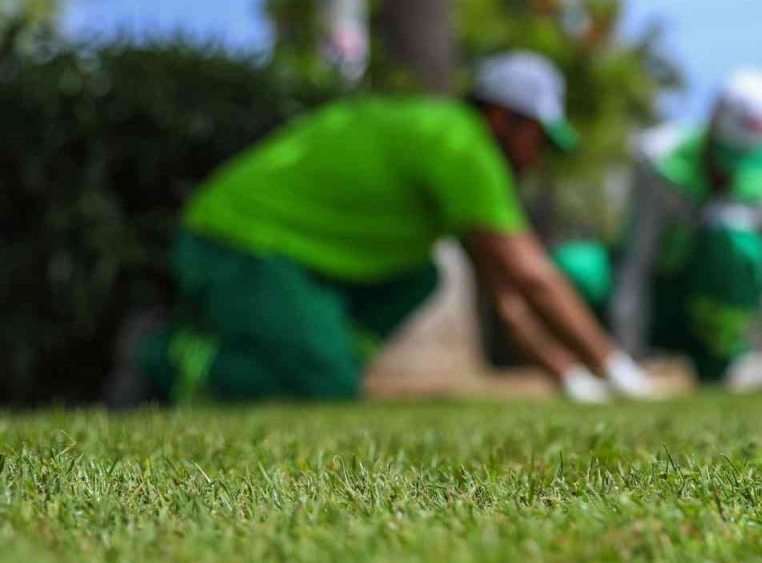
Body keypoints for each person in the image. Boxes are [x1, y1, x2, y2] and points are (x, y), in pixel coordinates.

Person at [108, 51, 656, 405]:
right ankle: (165, 356)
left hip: (288, 255)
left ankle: (319, 354)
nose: (537, 157)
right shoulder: (463, 146)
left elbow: (507, 298)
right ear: (503, 118)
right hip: (240, 243)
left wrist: (570, 379)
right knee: (324, 390)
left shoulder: (451, 144)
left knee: (418, 275)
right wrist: (614, 367)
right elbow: (531, 276)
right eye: (538, 136)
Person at [552, 69, 762, 384]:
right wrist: (625, 357)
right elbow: (637, 261)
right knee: (574, 267)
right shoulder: (661, 159)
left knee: (735, 239)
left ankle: (718, 361)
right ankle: (580, 361)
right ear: (712, 126)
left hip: (703, 301)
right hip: (653, 292)